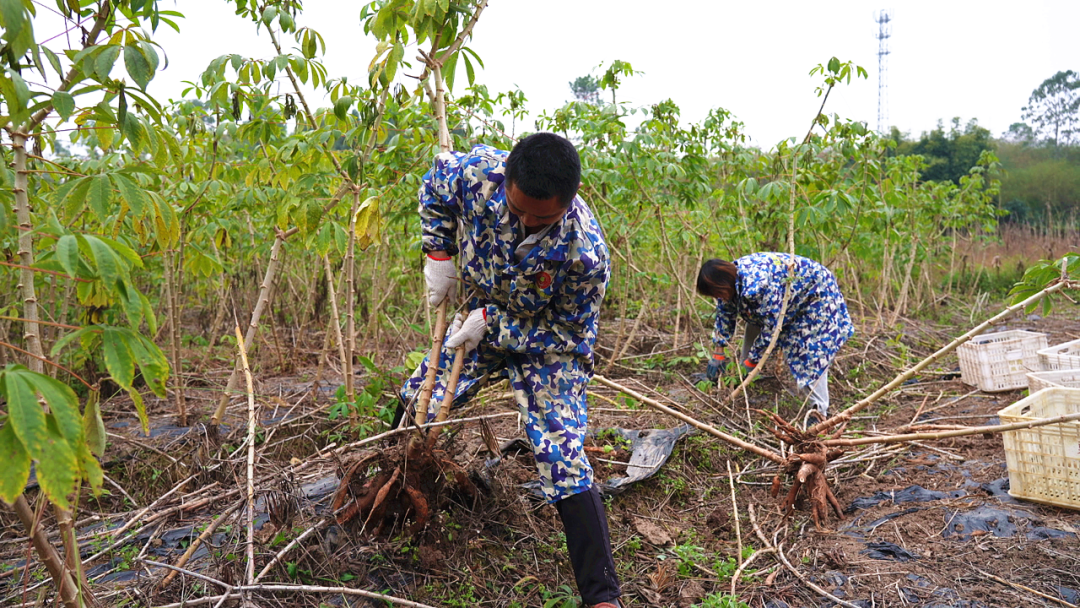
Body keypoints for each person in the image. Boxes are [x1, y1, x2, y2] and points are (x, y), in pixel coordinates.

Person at [397, 132, 622, 608]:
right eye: (517, 210)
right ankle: (387, 487)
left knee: (561, 453)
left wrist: (493, 323)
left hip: (546, 344)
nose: (524, 222)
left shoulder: (587, 254)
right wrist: (438, 253)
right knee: (421, 397)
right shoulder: (478, 174)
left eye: (541, 218)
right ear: (508, 180)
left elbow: (568, 334)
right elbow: (435, 184)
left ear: (569, 202)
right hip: (479, 314)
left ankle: (601, 595)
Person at [696, 253, 854, 426]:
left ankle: (818, 413)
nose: (718, 297)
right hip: (782, 300)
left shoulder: (758, 285)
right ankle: (741, 389)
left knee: (810, 353)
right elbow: (725, 313)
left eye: (717, 293)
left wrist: (753, 360)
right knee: (753, 323)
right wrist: (718, 353)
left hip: (816, 296)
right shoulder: (732, 283)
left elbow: (772, 328)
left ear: (722, 283)